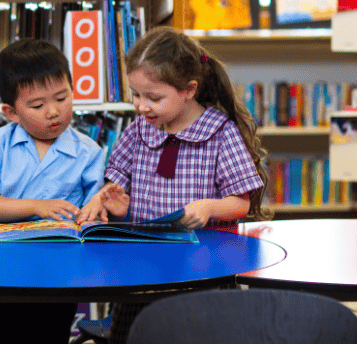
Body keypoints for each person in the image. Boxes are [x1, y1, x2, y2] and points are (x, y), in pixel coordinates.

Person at [76, 25, 269, 344]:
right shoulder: (140, 129)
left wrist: (208, 206)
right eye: (136, 95)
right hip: (141, 269)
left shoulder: (219, 133)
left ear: (189, 90)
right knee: (130, 337)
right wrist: (107, 200)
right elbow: (117, 183)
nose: (141, 106)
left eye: (153, 97)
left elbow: (241, 203)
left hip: (202, 270)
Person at [0, 38, 106, 344]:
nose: (53, 112)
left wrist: (101, 204)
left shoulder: (89, 151)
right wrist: (37, 206)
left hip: (56, 274)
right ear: (11, 111)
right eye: (37, 105)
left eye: (62, 98)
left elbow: (96, 210)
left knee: (46, 334)